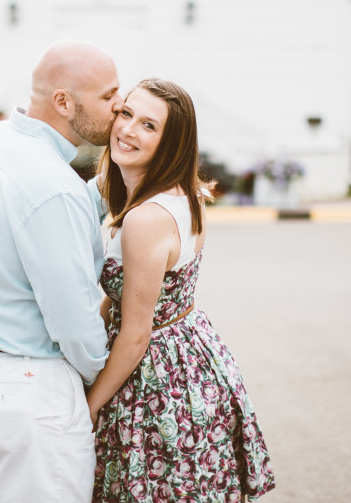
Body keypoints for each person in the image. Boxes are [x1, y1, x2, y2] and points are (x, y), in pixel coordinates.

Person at [0, 40, 124, 503]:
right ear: (64, 102)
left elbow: (45, 210)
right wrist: (96, 383)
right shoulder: (51, 185)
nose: (120, 107)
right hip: (24, 391)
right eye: (108, 96)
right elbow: (74, 319)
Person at [86, 78, 276, 502]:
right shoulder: (183, 195)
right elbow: (124, 297)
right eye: (127, 114)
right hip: (191, 357)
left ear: (171, 144)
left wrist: (90, 404)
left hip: (155, 375)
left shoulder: (146, 219)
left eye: (149, 126)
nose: (129, 130)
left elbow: (136, 332)